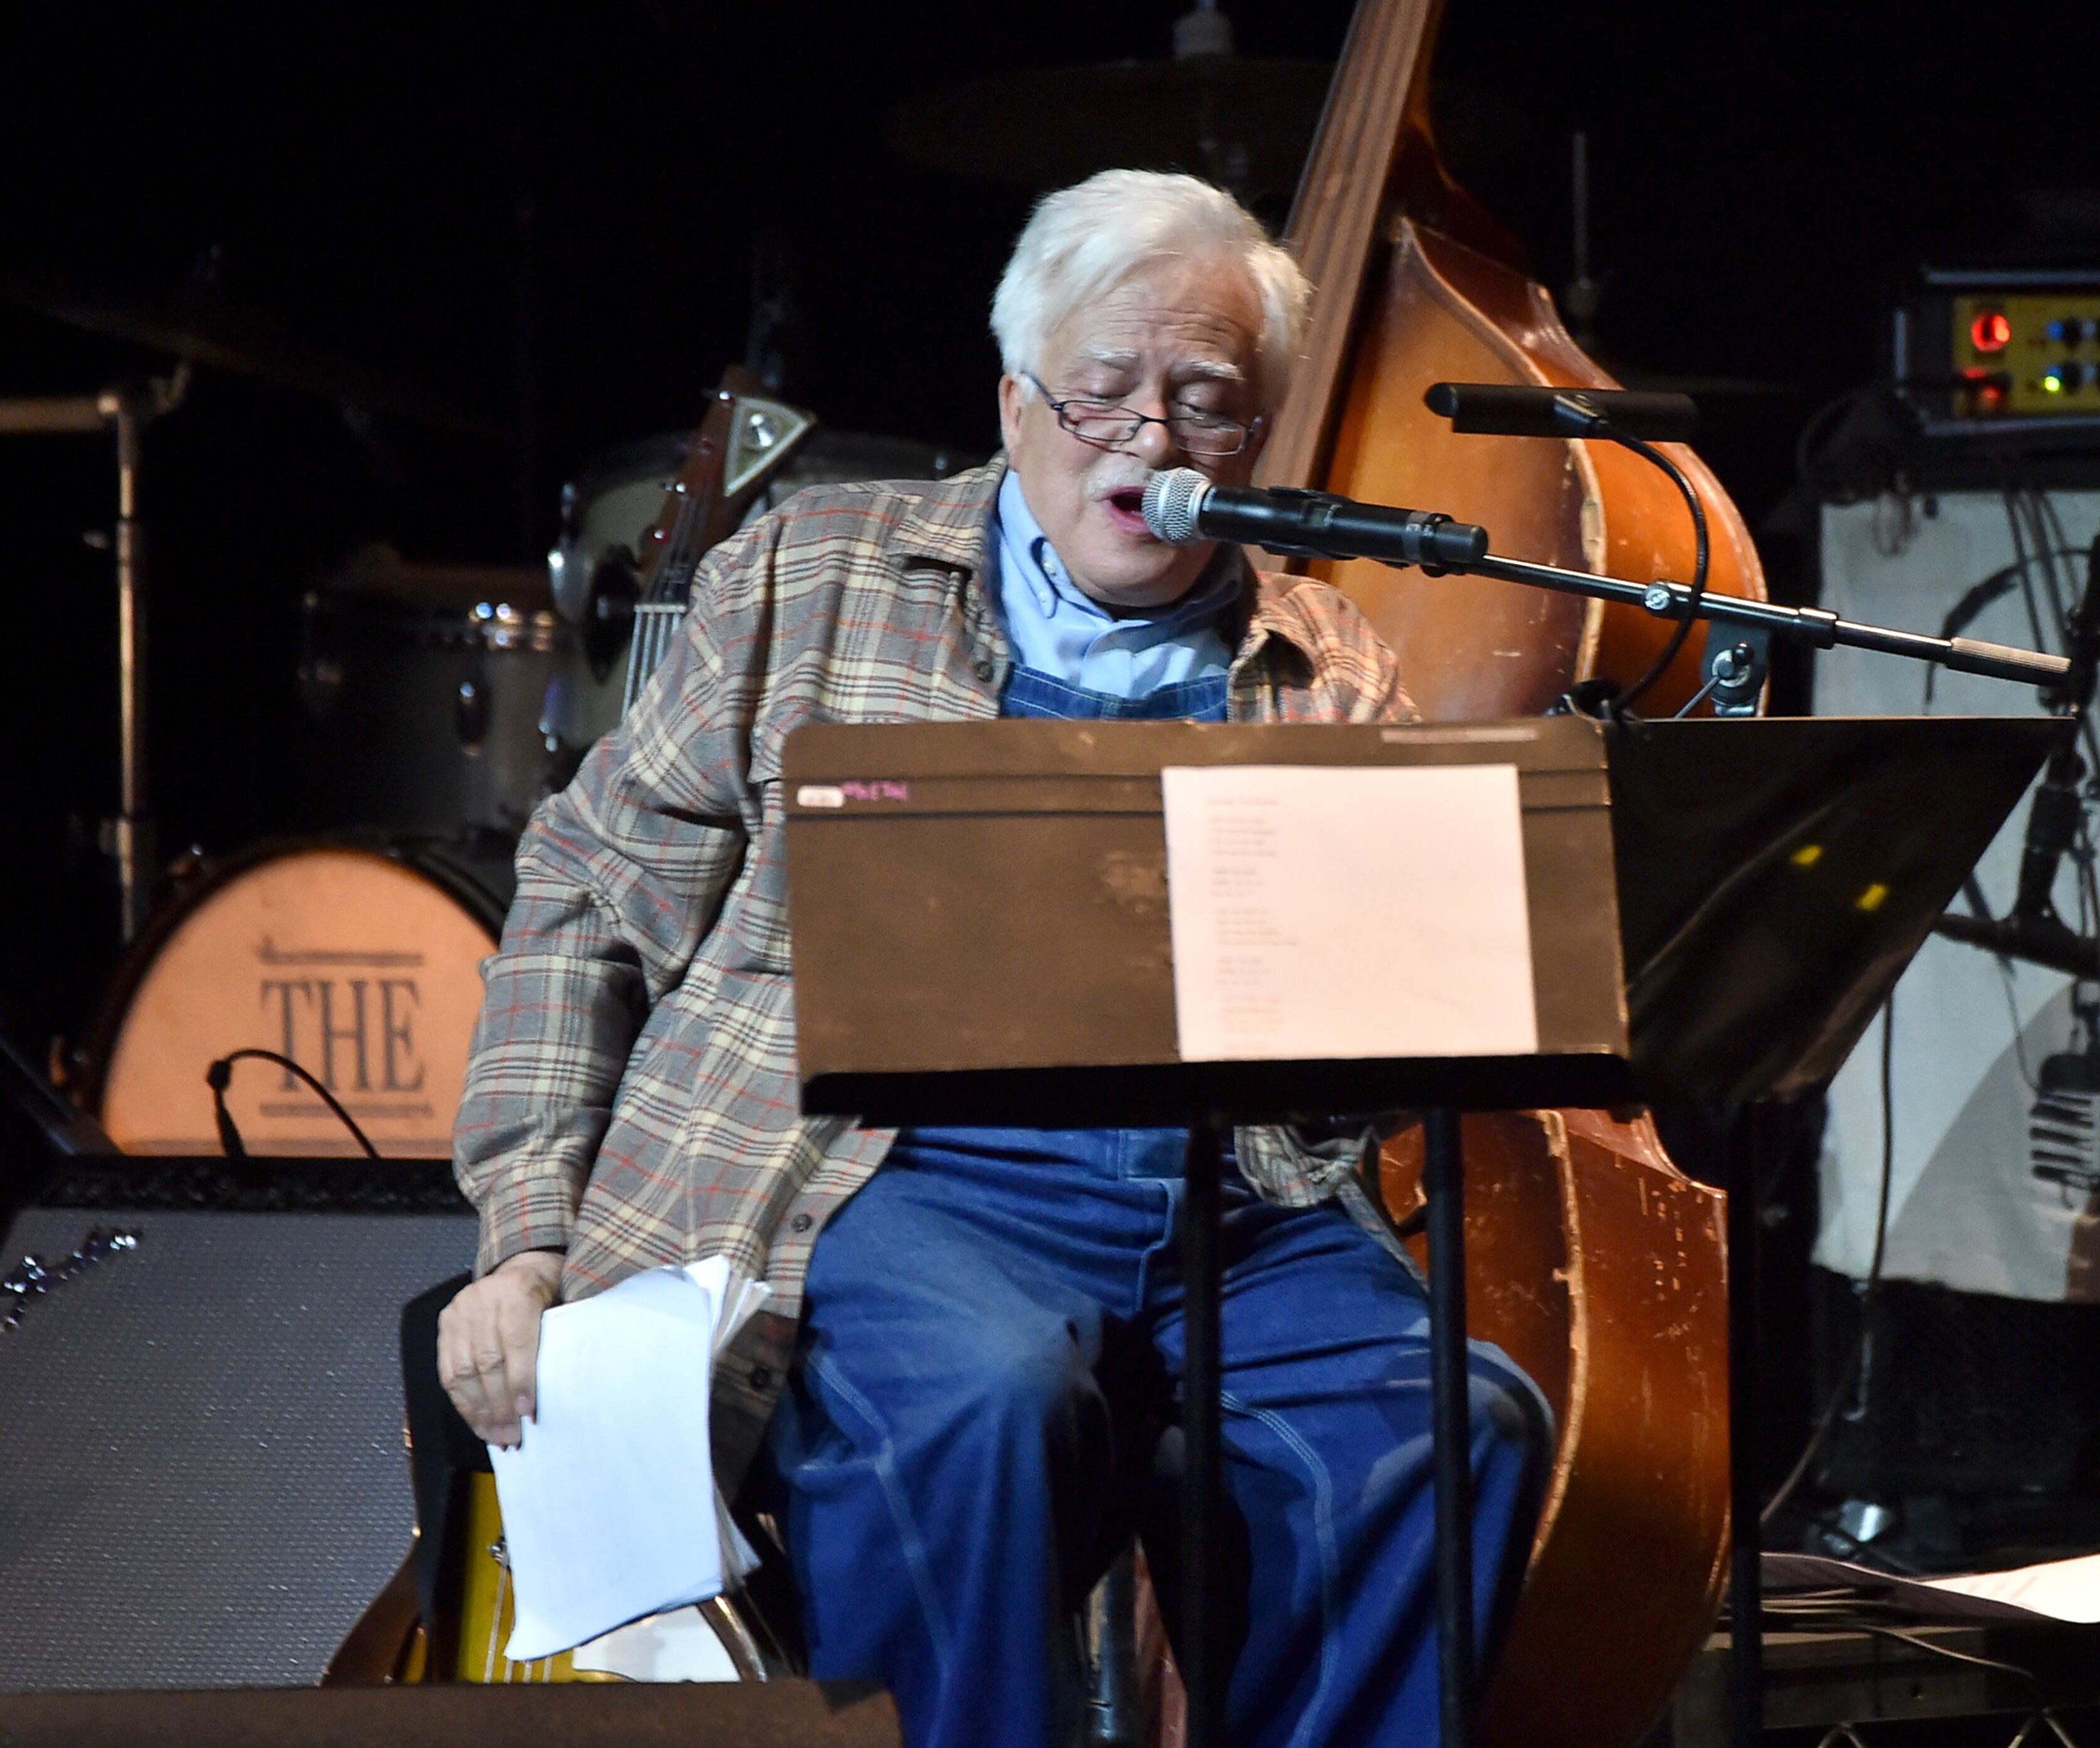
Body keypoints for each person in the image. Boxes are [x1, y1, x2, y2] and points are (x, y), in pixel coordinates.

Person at [438, 169, 1552, 1747]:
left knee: (1459, 1422)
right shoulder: (811, 577)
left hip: (1225, 1196)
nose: (1153, 441)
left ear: (1262, 439)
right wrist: (526, 1229)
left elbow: (1345, 1088)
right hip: (889, 1176)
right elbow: (585, 897)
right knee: (985, 1401)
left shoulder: (1324, 658)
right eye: (1103, 394)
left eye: (1208, 403)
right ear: (1016, 404)